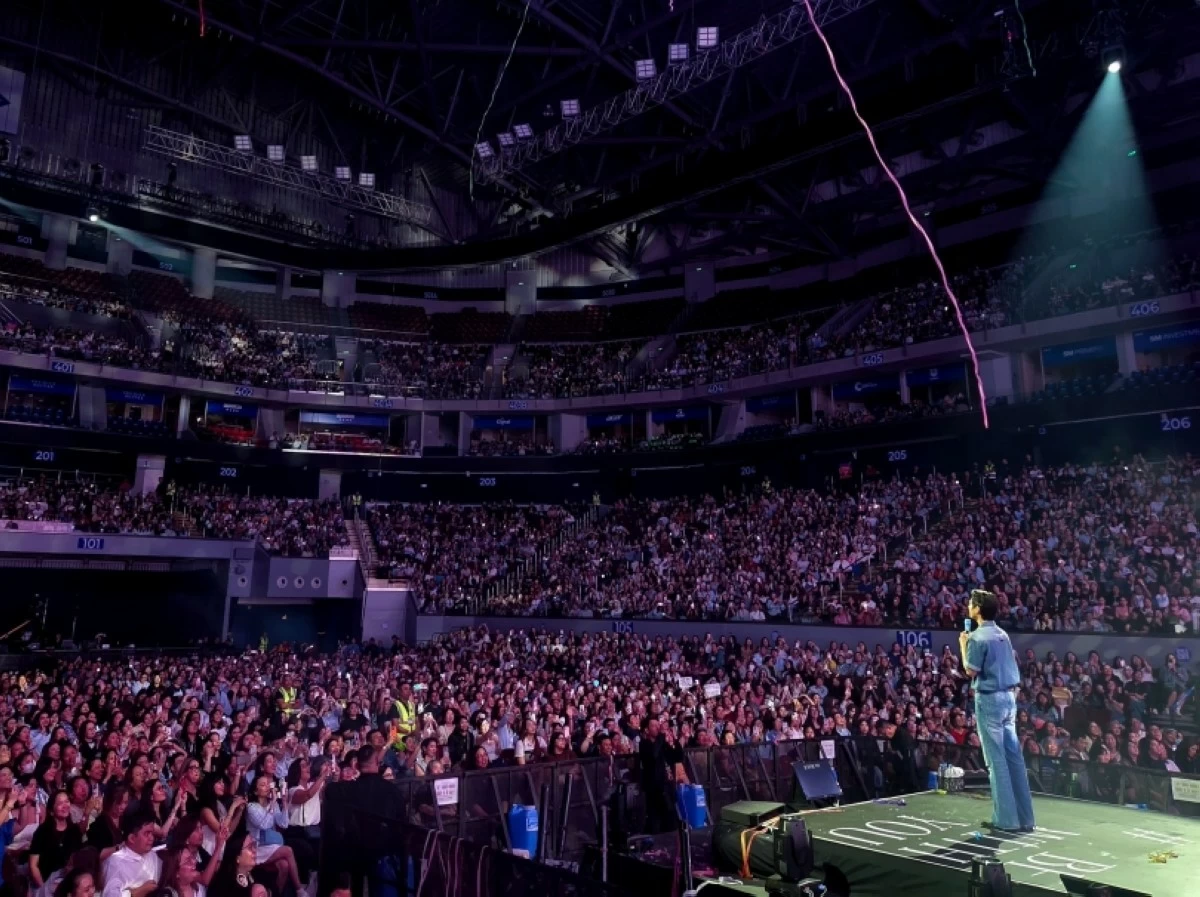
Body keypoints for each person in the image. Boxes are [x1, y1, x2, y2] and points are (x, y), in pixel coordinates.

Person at [961, 589, 1035, 833]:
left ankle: (1007, 820)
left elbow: (970, 670)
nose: (968, 606)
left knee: (997, 762)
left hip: (990, 700)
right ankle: (1025, 818)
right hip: (1009, 698)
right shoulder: (1003, 634)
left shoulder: (977, 637)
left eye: (971, 603)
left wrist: (963, 644)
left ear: (978, 609)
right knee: (1014, 758)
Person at [101, 814, 162, 897]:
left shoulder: (153, 855)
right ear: (132, 838)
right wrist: (137, 892)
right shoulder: (115, 863)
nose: (152, 838)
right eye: (147, 833)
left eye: (152, 833)